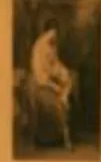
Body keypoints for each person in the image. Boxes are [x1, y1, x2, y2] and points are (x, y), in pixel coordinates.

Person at [22, 22, 76, 151]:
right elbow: (40, 72)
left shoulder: (52, 45)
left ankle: (64, 100)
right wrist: (54, 84)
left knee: (69, 82)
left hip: (51, 78)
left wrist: (62, 72)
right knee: (54, 99)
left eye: (56, 35)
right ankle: (58, 136)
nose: (54, 38)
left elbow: (55, 63)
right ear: (46, 33)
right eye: (52, 34)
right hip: (41, 81)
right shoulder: (39, 47)